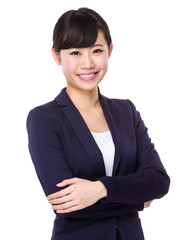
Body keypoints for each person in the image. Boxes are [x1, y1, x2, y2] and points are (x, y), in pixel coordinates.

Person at [26, 7, 170, 240]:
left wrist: (100, 189)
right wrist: (138, 202)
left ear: (109, 51)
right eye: (75, 53)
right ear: (57, 55)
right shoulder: (44, 118)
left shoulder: (126, 111)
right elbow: (64, 201)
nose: (87, 63)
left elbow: (159, 180)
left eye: (96, 50)